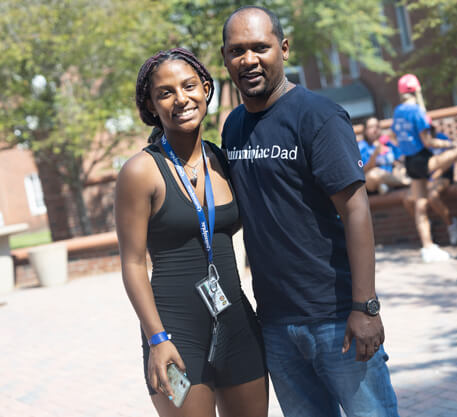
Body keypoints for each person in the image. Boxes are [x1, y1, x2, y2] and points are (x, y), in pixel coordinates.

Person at [220, 6, 399, 417]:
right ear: (226, 57)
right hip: (277, 325)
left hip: (337, 316)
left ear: (283, 48)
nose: (248, 60)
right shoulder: (232, 127)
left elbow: (356, 211)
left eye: (260, 48)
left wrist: (365, 307)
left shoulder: (318, 116)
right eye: (236, 51)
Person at [115, 48, 267, 417]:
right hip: (174, 333)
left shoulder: (223, 159)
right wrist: (156, 339)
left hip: (238, 325)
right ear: (151, 106)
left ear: (205, 89)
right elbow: (133, 264)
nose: (181, 99)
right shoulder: (140, 172)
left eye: (188, 86)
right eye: (165, 93)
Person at [391, 74, 457, 262]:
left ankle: (427, 247)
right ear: (417, 90)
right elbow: (428, 142)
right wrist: (454, 144)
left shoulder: (397, 111)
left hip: (410, 161)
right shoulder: (417, 111)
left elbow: (394, 137)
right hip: (422, 159)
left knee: (420, 205)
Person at [403, 122, 457, 246]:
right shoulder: (420, 145)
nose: (427, 131)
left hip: (443, 175)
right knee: (408, 199)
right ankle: (426, 225)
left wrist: (434, 177)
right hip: (425, 176)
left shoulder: (442, 139)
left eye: (429, 129)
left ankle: (451, 223)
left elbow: (449, 162)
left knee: (433, 196)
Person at [358, 117, 410, 194]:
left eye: (377, 126)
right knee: (373, 175)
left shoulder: (387, 142)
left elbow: (401, 158)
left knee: (403, 169)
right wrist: (375, 154)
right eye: (371, 127)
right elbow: (363, 171)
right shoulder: (362, 146)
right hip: (373, 180)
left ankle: (388, 184)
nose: (375, 130)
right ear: (365, 131)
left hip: (392, 175)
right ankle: (405, 182)